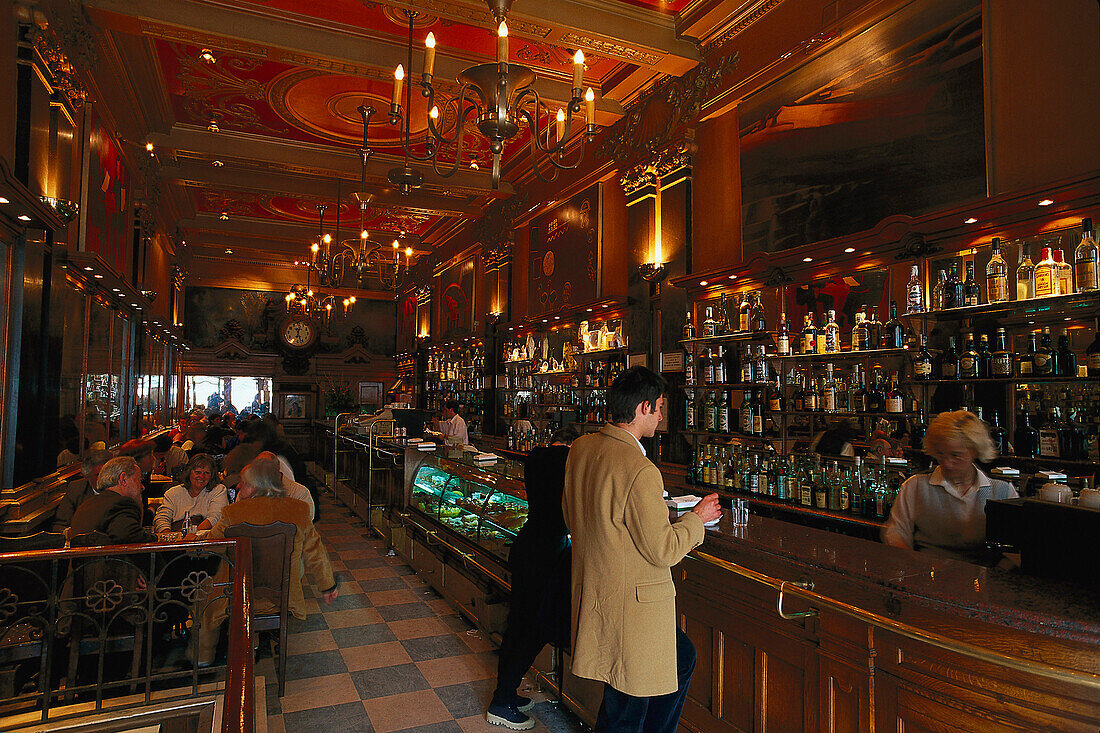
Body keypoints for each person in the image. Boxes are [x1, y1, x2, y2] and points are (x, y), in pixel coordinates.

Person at [563, 366, 721, 733]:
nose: (662, 416)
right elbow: (664, 550)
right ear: (643, 408)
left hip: (597, 593)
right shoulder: (640, 468)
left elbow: (571, 516)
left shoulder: (582, 448)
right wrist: (697, 518)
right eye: (660, 407)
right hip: (632, 609)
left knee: (671, 666)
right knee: (627, 705)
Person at [190, 454, 338, 665]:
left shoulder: (233, 513)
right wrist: (328, 586)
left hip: (238, 597)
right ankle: (253, 643)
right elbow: (315, 551)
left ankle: (203, 657)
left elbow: (210, 546)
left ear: (256, 486)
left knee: (203, 589)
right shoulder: (299, 509)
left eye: (245, 483)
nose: (239, 486)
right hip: (284, 596)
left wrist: (191, 540)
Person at [487, 427, 579, 729]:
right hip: (547, 554)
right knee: (531, 629)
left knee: (521, 625)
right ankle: (501, 701)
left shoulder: (535, 457)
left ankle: (507, 691)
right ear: (571, 444)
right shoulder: (569, 460)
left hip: (527, 547)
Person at [883, 409, 1018, 561]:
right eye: (940, 454)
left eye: (956, 455)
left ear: (975, 451)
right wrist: (913, 563)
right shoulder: (915, 487)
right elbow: (895, 533)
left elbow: (1016, 551)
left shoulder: (1001, 492)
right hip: (927, 575)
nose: (947, 463)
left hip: (981, 580)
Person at [70, 456, 156, 545]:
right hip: (109, 558)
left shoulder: (85, 505)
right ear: (123, 479)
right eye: (139, 480)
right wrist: (156, 539)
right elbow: (133, 540)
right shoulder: (122, 504)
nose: (142, 487)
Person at [154, 453, 229, 534]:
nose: (201, 476)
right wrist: (169, 536)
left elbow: (215, 517)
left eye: (206, 473)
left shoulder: (219, 490)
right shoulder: (172, 493)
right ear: (189, 472)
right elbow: (161, 518)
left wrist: (190, 535)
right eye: (197, 472)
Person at [52, 448, 113, 533]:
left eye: (108, 474)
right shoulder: (76, 489)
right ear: (86, 476)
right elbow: (61, 524)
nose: (105, 479)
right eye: (98, 475)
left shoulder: (122, 488)